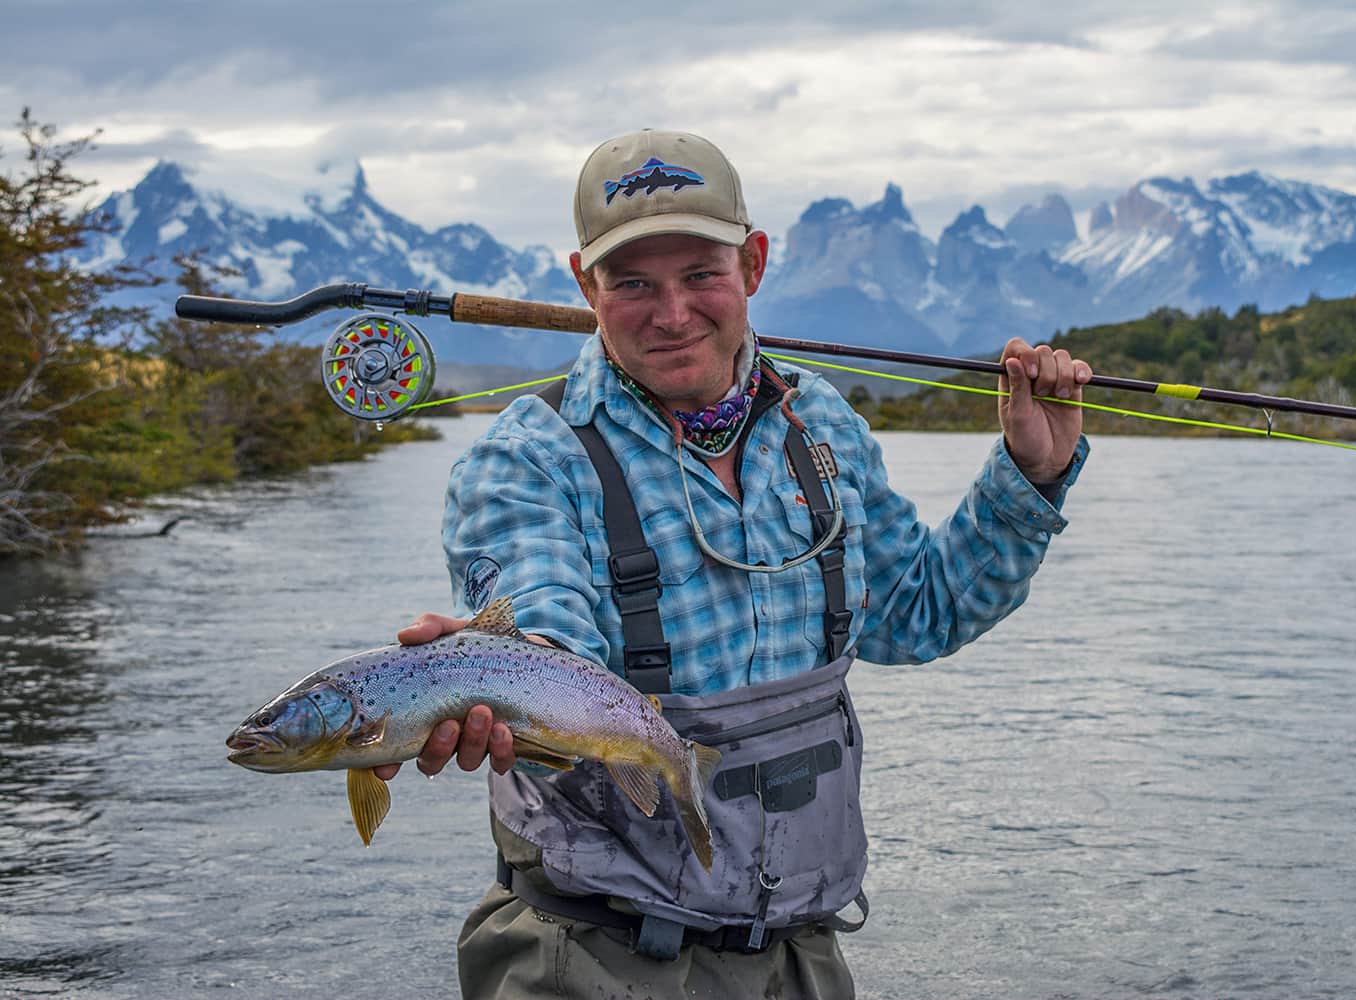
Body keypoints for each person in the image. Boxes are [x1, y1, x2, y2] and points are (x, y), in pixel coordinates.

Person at [376, 129, 1092, 998]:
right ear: (584, 284)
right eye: (633, 282)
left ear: (753, 265)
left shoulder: (820, 425)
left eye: (700, 276)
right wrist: (490, 677)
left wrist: (1032, 475)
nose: (672, 314)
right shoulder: (527, 460)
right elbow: (544, 631)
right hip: (588, 954)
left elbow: (919, 612)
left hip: (798, 952)